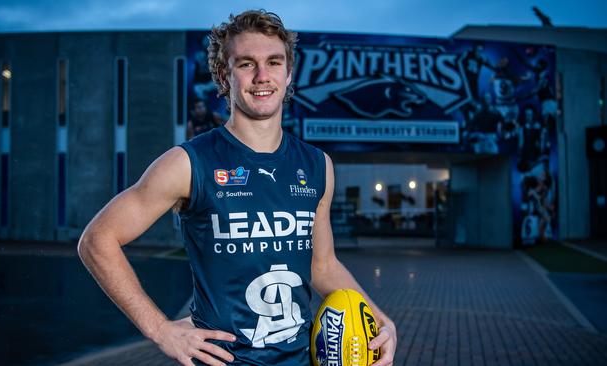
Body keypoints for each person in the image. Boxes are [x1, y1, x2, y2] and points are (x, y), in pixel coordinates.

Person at [78, 10, 397, 366]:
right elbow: (97, 240)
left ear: (288, 73)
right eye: (246, 64)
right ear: (222, 75)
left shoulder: (317, 165)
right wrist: (159, 329)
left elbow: (322, 265)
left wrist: (378, 318)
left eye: (273, 62)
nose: (262, 76)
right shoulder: (188, 163)